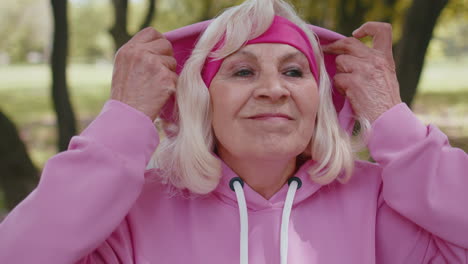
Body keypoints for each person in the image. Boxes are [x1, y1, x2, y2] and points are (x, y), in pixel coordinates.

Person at [1, 0, 467, 263]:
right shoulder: (130, 214)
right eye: (242, 72)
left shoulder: (378, 202)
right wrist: (124, 118)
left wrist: (391, 119)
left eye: (294, 72)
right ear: (200, 101)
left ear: (319, 99)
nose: (273, 90)